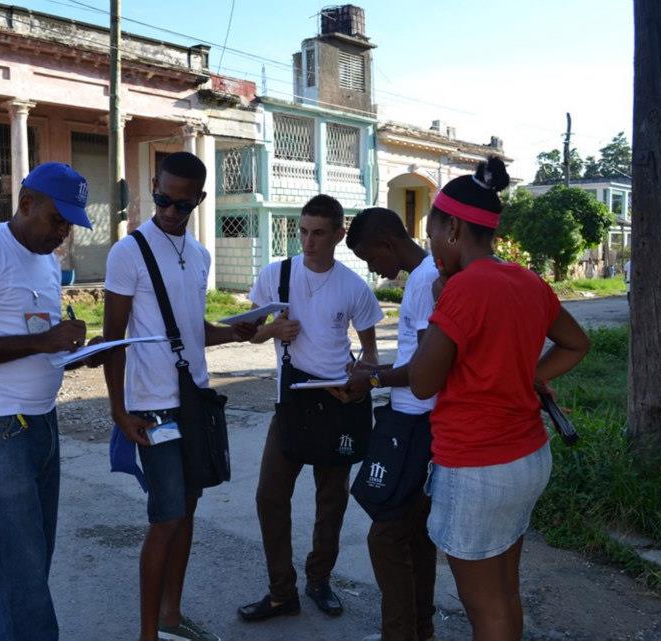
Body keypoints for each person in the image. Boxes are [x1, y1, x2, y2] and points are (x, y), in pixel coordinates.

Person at [408, 157, 591, 641]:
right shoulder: (526, 279)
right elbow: (576, 344)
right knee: (505, 592)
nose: (429, 245)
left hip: (477, 467)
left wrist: (440, 301)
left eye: (431, 232)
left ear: (453, 229)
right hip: (527, 456)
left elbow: (424, 381)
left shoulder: (462, 289)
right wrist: (528, 375)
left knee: (484, 606)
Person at [0, 162, 101, 641]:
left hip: (39, 424)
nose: (63, 232)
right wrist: (44, 342)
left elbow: (37, 341)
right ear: (26, 203)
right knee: (21, 571)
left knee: (29, 564)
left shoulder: (46, 261)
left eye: (70, 223)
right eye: (57, 219)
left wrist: (78, 353)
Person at [102, 151, 257, 641]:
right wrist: (119, 410)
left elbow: (192, 332)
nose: (170, 210)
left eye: (182, 204)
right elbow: (113, 339)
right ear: (153, 185)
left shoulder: (200, 254)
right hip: (152, 406)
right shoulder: (129, 252)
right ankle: (149, 633)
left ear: (199, 200)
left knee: (187, 510)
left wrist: (239, 333)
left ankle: (172, 616)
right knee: (166, 515)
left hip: (193, 402)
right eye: (164, 199)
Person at [238, 194, 384, 623]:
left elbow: (371, 356)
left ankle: (319, 580)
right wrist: (272, 330)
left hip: (338, 398)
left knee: (331, 500)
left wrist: (360, 383)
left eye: (319, 233)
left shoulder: (353, 286)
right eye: (302, 231)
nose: (308, 241)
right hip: (293, 397)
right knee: (270, 496)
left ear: (340, 233)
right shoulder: (276, 275)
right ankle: (281, 592)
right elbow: (247, 332)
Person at [343, 207, 438, 641]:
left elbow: (423, 370)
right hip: (415, 417)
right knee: (415, 534)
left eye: (370, 260)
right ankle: (420, 629)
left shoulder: (423, 281)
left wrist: (373, 376)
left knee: (385, 537)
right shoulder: (428, 274)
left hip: (416, 421)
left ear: (386, 244)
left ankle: (400, 633)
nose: (374, 270)